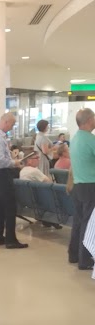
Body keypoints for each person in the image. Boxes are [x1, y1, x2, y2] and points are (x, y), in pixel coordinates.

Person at [0, 112, 28, 249]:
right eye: (12, 124)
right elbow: (1, 160)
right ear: (6, 122)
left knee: (0, 207)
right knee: (10, 207)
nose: (12, 127)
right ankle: (11, 239)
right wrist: (14, 163)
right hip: (2, 174)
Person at [68, 108, 95, 270]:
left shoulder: (76, 138)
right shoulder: (90, 139)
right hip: (90, 185)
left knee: (78, 221)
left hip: (78, 185)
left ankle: (74, 254)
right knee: (89, 223)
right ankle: (85, 259)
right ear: (89, 120)